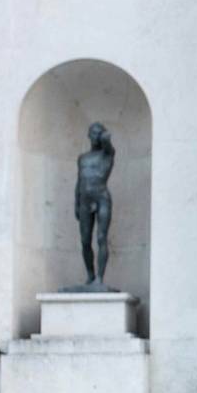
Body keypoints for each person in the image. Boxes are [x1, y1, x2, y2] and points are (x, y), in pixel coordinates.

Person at [75, 122, 115, 286]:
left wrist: (104, 135)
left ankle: (100, 277)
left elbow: (107, 142)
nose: (95, 136)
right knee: (85, 241)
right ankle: (90, 275)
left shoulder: (107, 154)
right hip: (84, 198)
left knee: (101, 238)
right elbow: (79, 181)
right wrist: (76, 202)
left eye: (97, 133)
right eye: (92, 133)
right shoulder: (82, 158)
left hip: (101, 196)